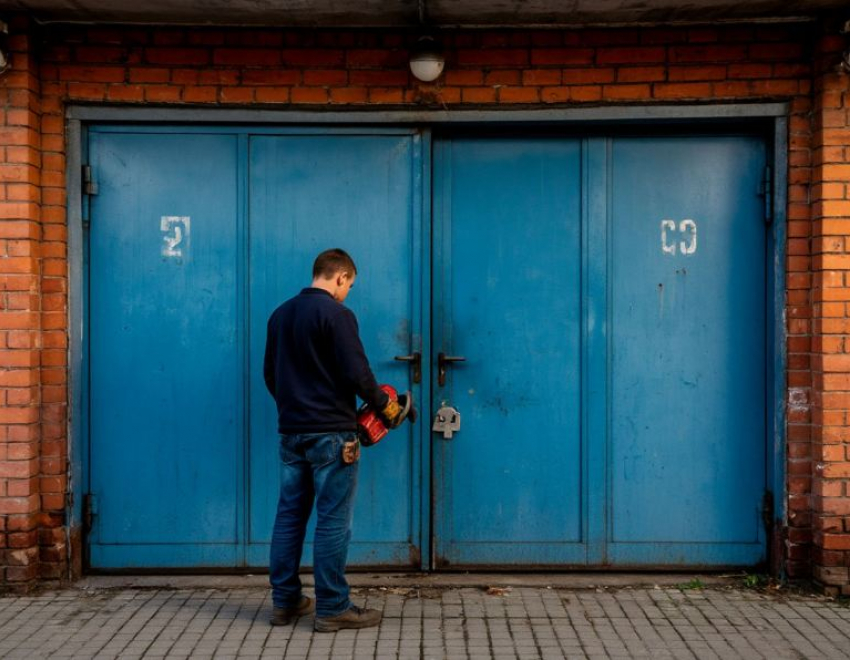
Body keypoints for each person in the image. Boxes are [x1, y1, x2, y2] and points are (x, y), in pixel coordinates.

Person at [263, 248, 404, 632]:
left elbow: (270, 375)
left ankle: (286, 602)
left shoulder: (280, 314)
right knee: (332, 520)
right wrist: (385, 408)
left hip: (292, 433)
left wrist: (296, 410)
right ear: (340, 276)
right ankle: (332, 607)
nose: (348, 293)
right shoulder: (337, 315)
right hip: (332, 436)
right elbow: (358, 373)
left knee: (289, 515)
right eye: (350, 285)